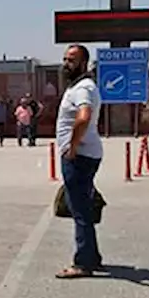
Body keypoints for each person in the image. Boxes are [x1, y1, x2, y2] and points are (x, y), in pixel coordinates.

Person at [54, 44, 103, 280]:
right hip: (83, 155)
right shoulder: (78, 86)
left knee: (80, 210)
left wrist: (72, 147)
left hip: (80, 157)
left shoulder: (83, 88)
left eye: (71, 60)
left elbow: (83, 118)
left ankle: (83, 262)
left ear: (83, 63)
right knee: (79, 206)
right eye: (65, 59)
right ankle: (92, 256)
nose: (66, 63)